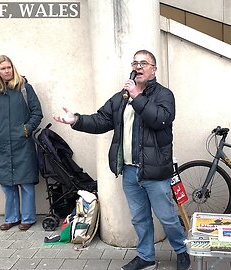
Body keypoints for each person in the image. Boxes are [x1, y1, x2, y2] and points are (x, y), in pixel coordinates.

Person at [53, 50, 190, 270]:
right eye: (135, 62)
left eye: (144, 63)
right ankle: (146, 257)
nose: (138, 66)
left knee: (166, 218)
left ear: (154, 69)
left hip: (155, 171)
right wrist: (76, 120)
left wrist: (137, 96)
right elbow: (101, 120)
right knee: (139, 218)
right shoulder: (121, 97)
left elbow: (160, 120)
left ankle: (182, 251)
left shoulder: (164, 95)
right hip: (129, 170)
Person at [0, 55, 43, 231]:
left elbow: (37, 112)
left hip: (22, 143)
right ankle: (11, 218)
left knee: (25, 183)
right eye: (3, 68)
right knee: (7, 184)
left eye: (9, 67)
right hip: (2, 144)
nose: (7, 71)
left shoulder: (25, 88)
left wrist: (26, 129)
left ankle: (28, 218)